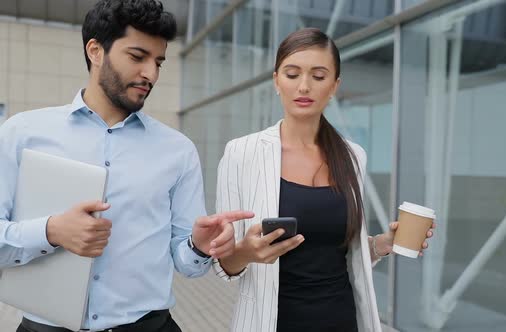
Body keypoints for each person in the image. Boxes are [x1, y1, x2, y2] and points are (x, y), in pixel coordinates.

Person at [0, 1, 252, 331]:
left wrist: (199, 246)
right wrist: (51, 231)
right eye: (137, 57)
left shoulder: (178, 151)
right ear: (95, 51)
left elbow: (189, 265)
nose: (151, 74)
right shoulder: (22, 133)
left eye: (158, 62)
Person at [213, 28, 435, 332]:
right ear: (276, 80)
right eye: (292, 75)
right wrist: (246, 253)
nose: (304, 86)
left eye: (318, 77)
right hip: (271, 323)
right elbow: (223, 265)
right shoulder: (241, 153)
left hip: (341, 320)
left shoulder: (352, 155)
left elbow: (343, 255)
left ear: (334, 86)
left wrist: (384, 244)